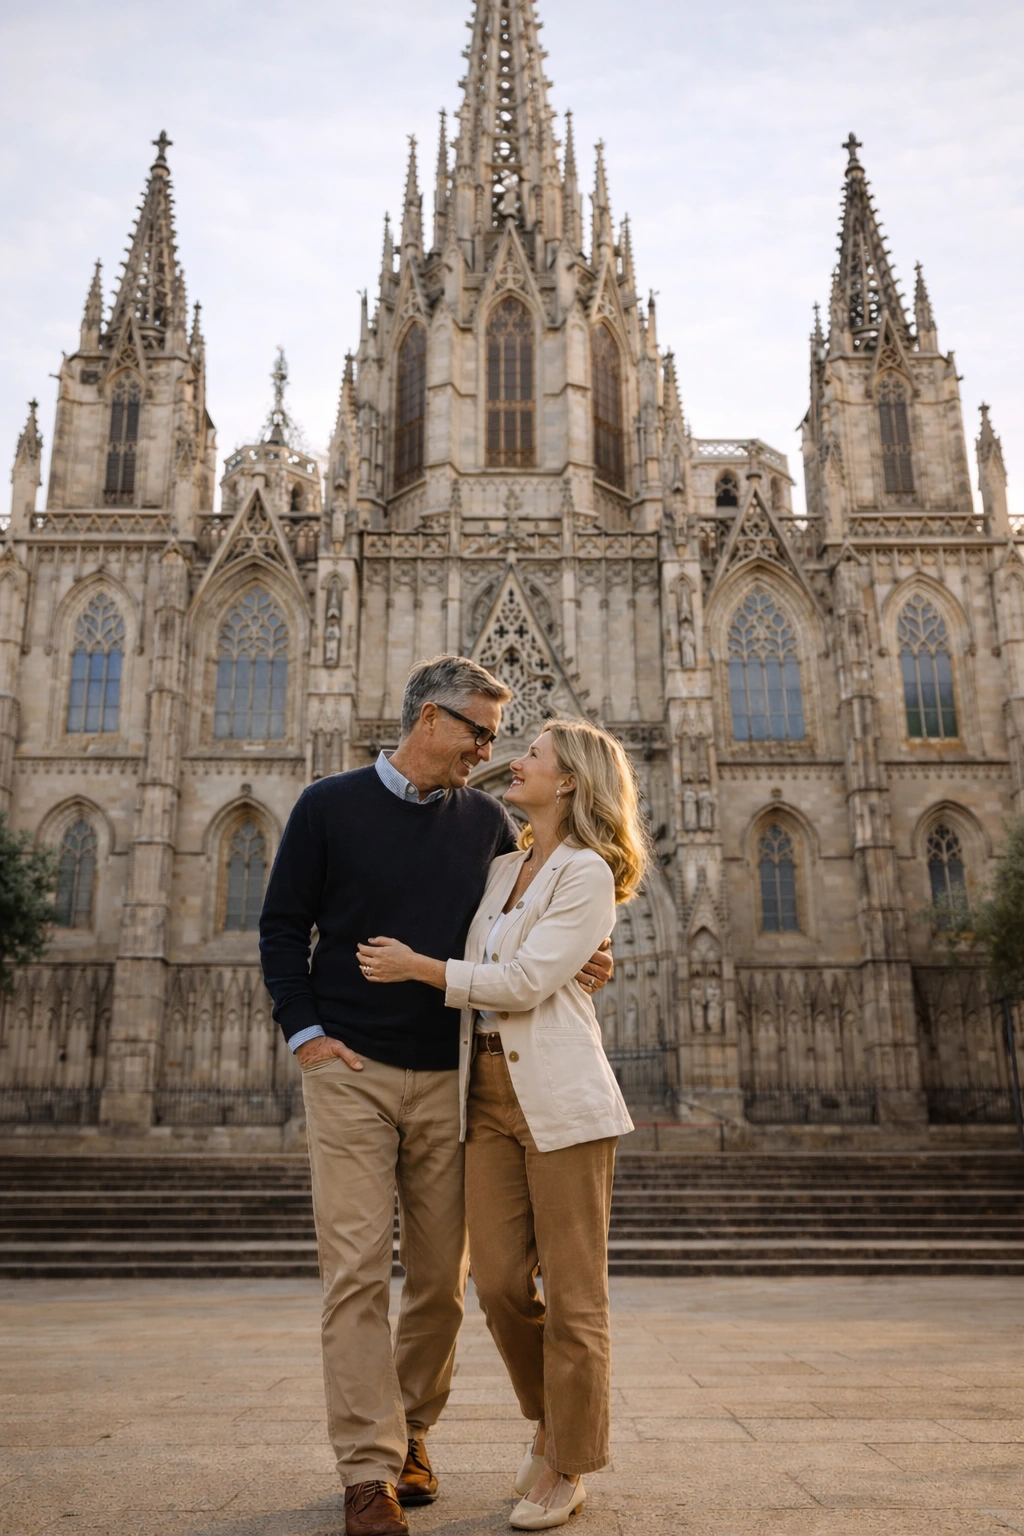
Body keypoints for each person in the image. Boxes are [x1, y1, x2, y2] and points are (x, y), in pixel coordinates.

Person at [259, 657, 613, 1536]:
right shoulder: (327, 805)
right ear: (428, 719)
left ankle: (411, 1430)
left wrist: (586, 955)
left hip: (457, 1080)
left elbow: (522, 933)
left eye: (503, 740)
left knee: (443, 1286)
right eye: (478, 733)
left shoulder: (488, 825)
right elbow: (282, 925)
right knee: (354, 1274)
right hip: (348, 1070)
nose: (490, 752)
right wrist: (305, 1034)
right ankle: (368, 1471)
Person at [358, 718, 648, 1531]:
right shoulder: (501, 868)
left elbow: (521, 980)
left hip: (559, 1092)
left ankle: (566, 1464)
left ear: (570, 781)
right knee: (495, 1286)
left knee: (576, 1296)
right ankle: (553, 1419)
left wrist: (416, 968)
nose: (513, 762)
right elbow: (495, 955)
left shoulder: (587, 871)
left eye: (532, 756)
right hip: (483, 1091)